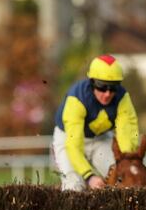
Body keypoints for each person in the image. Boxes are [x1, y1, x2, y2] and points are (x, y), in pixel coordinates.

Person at [52, 54, 140, 190]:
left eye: (113, 87)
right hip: (68, 139)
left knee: (123, 180)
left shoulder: (123, 99)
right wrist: (89, 176)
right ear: (92, 82)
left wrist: (126, 162)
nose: (107, 94)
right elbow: (73, 144)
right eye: (102, 86)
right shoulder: (77, 98)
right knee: (74, 185)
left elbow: (126, 134)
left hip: (100, 139)